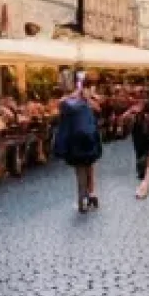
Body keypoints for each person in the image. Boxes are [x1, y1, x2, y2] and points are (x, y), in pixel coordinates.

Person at [53, 83, 103, 213]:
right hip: (90, 140)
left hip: (75, 142)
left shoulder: (67, 104)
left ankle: (83, 198)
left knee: (80, 169)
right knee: (89, 167)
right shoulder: (88, 103)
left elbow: (61, 106)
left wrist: (73, 96)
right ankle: (90, 194)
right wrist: (87, 98)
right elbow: (98, 111)